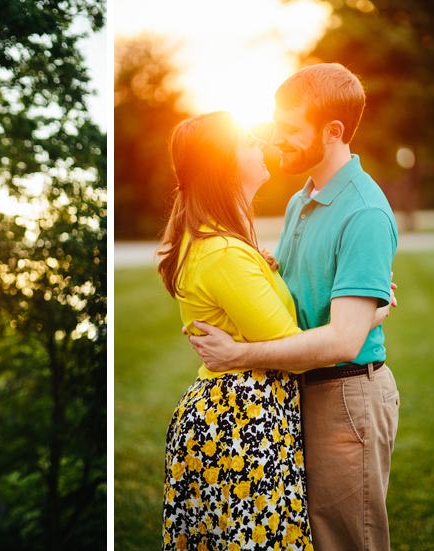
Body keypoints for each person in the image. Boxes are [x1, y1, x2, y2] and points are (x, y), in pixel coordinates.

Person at [188, 63, 400, 551]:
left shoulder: (364, 211)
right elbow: (303, 300)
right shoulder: (300, 198)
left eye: (289, 129)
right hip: (300, 391)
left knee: (346, 541)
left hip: (346, 396)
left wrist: (236, 355)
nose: (274, 138)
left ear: (332, 132)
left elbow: (345, 340)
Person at [157, 110, 320, 551]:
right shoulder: (222, 252)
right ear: (226, 167)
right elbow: (298, 350)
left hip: (233, 417)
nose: (261, 144)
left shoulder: (217, 241)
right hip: (242, 424)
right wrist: (369, 312)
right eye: (248, 141)